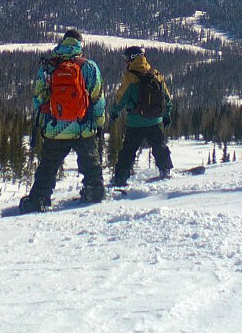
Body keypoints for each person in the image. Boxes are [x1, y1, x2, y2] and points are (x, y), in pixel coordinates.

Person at [19, 29, 106, 212]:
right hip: (83, 126)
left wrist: (48, 117)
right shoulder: (88, 66)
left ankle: (38, 200)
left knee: (48, 167)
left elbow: (38, 97)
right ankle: (94, 192)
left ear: (63, 42)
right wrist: (99, 122)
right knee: (90, 164)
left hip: (55, 127)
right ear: (80, 44)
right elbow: (97, 98)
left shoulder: (48, 67)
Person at [110, 46, 173, 186]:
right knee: (159, 146)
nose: (125, 61)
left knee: (128, 150)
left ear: (133, 58)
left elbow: (122, 98)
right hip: (155, 120)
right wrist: (167, 114)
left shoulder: (130, 77)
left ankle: (120, 177)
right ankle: (165, 169)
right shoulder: (155, 74)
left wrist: (114, 112)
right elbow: (166, 97)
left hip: (136, 121)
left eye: (126, 58)